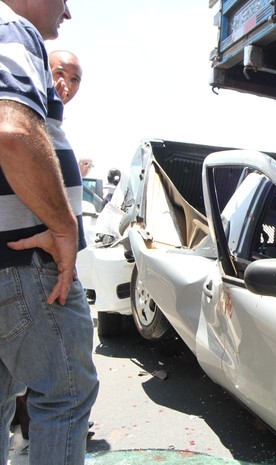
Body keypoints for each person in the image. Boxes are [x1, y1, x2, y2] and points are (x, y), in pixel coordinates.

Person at [0, 1, 99, 465]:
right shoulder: (13, 29)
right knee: (67, 393)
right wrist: (63, 226)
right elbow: (14, 133)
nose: (68, 12)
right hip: (28, 265)